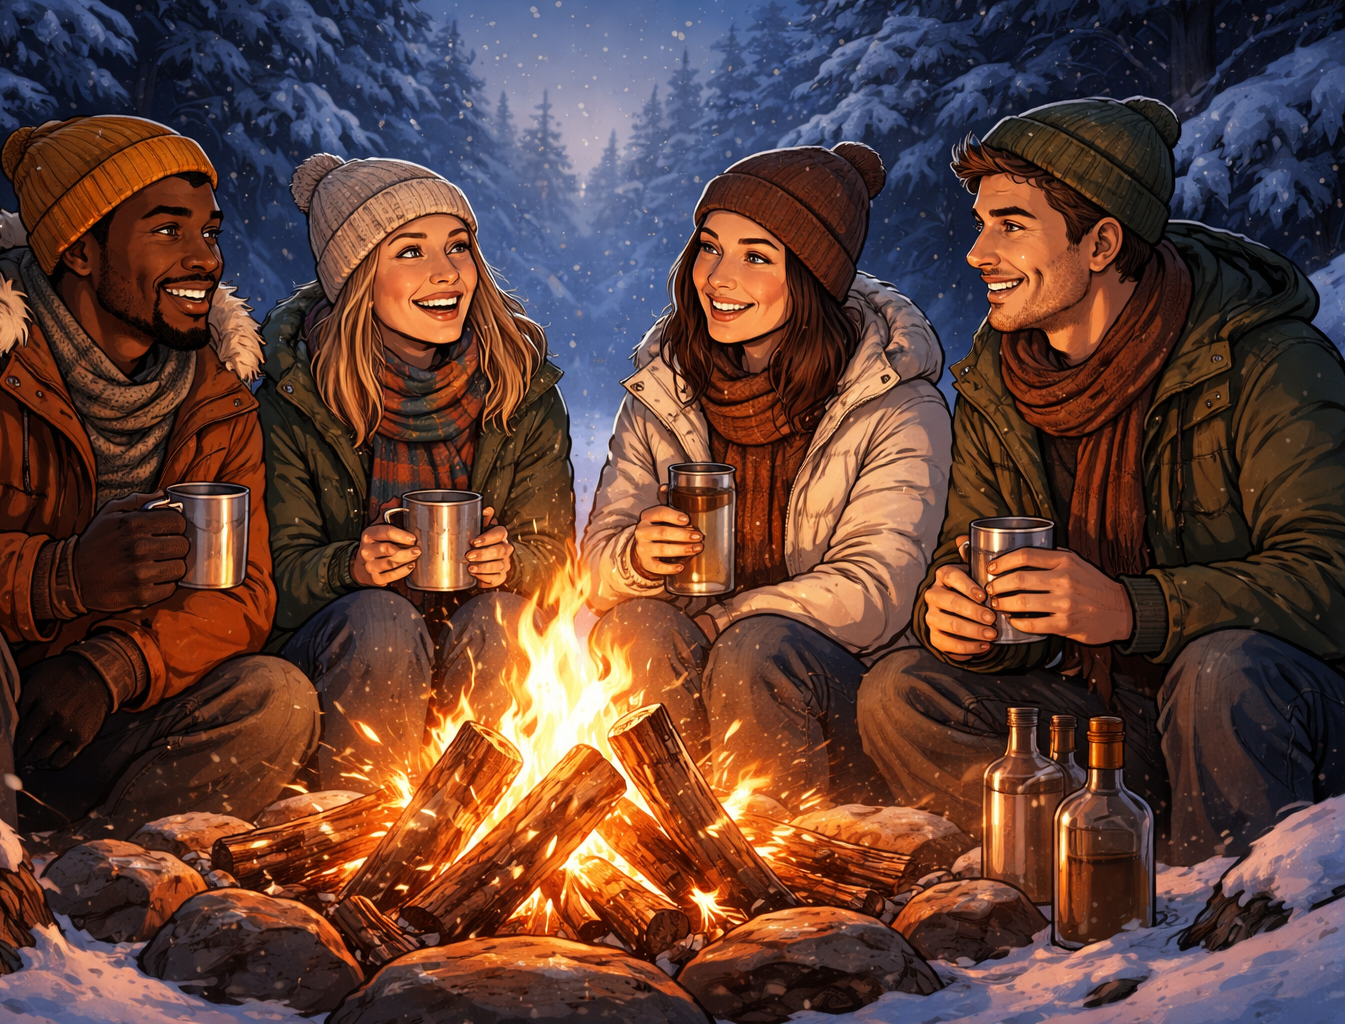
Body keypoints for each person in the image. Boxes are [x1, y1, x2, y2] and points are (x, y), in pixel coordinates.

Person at [859, 96, 1345, 864]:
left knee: (1219, 672)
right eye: (982, 224)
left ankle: (1236, 923)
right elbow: (967, 546)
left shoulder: (1264, 361)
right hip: (1112, 713)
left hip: (1267, 716)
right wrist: (959, 614)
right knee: (903, 693)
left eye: (1011, 226)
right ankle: (1066, 888)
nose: (978, 253)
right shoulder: (1000, 378)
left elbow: (1331, 580)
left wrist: (1131, 609)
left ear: (1102, 242)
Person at [0, 116, 318, 831]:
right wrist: (57, 576)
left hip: (71, 720)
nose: (206, 260)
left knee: (274, 696)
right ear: (80, 251)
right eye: (168, 231)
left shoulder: (216, 402)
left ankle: (105, 898)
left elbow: (242, 596)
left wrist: (113, 666)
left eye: (211, 232)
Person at [582, 144, 953, 812]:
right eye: (709, 247)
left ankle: (777, 859)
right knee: (636, 630)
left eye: (756, 256)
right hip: (696, 674)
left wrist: (730, 617)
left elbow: (875, 593)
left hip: (832, 694)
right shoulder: (664, 390)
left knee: (756, 649)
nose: (719, 277)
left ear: (810, 275)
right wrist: (638, 557)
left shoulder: (894, 402)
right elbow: (597, 571)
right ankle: (668, 841)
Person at [259, 154, 575, 788]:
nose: (446, 272)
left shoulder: (518, 387)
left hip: (472, 648)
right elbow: (271, 584)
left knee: (503, 621)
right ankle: (362, 836)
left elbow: (559, 561)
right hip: (345, 661)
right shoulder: (296, 398)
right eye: (409, 252)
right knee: (381, 619)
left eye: (458, 247)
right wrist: (349, 566)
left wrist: (510, 563)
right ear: (357, 277)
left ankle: (487, 832)